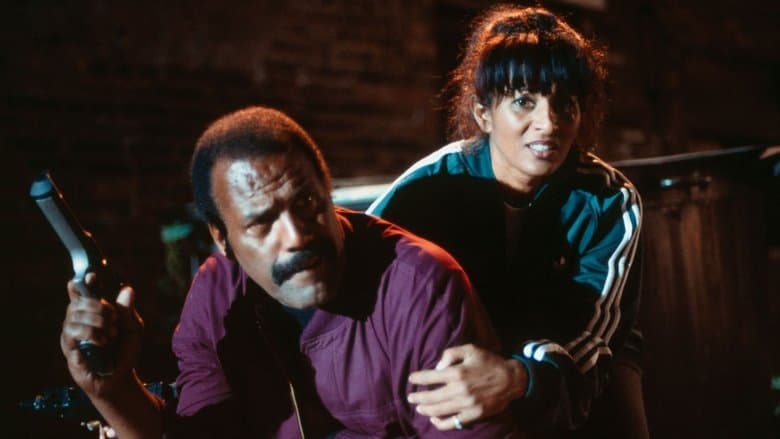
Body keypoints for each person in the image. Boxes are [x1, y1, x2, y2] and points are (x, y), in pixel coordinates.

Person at [60, 106, 522, 438]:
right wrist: (114, 391)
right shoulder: (217, 293)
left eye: (307, 203)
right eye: (262, 224)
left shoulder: (418, 286)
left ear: (327, 189)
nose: (297, 236)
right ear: (222, 239)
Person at [367, 5, 646, 437]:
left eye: (564, 103)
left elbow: (593, 338)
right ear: (484, 113)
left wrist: (518, 377)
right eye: (523, 101)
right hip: (458, 361)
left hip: (571, 369)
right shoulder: (426, 187)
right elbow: (361, 288)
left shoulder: (609, 200)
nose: (548, 123)